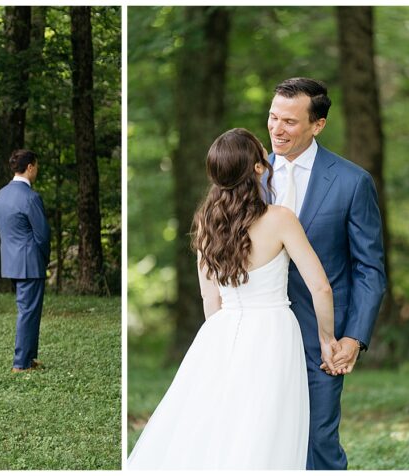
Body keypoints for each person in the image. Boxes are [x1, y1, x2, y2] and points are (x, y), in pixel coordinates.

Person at [127, 128, 341, 469]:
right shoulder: (280, 219)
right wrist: (326, 338)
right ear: (259, 167)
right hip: (273, 332)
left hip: (221, 331)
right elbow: (321, 288)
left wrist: (223, 344)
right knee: (266, 427)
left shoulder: (206, 223)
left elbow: (209, 298)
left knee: (217, 424)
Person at [266, 77, 386, 469]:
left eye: (289, 122)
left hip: (322, 337)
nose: (276, 129)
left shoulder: (352, 182)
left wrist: (353, 337)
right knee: (262, 434)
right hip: (258, 331)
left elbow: (369, 268)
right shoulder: (249, 177)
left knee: (318, 436)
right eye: (272, 117)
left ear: (317, 125)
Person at [0, 149, 50, 373]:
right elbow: (42, 234)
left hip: (11, 261)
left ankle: (30, 357)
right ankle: (21, 363)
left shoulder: (0, 196)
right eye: (37, 166)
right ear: (30, 167)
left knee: (28, 310)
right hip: (30, 262)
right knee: (28, 311)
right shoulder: (30, 197)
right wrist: (43, 258)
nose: (37, 171)